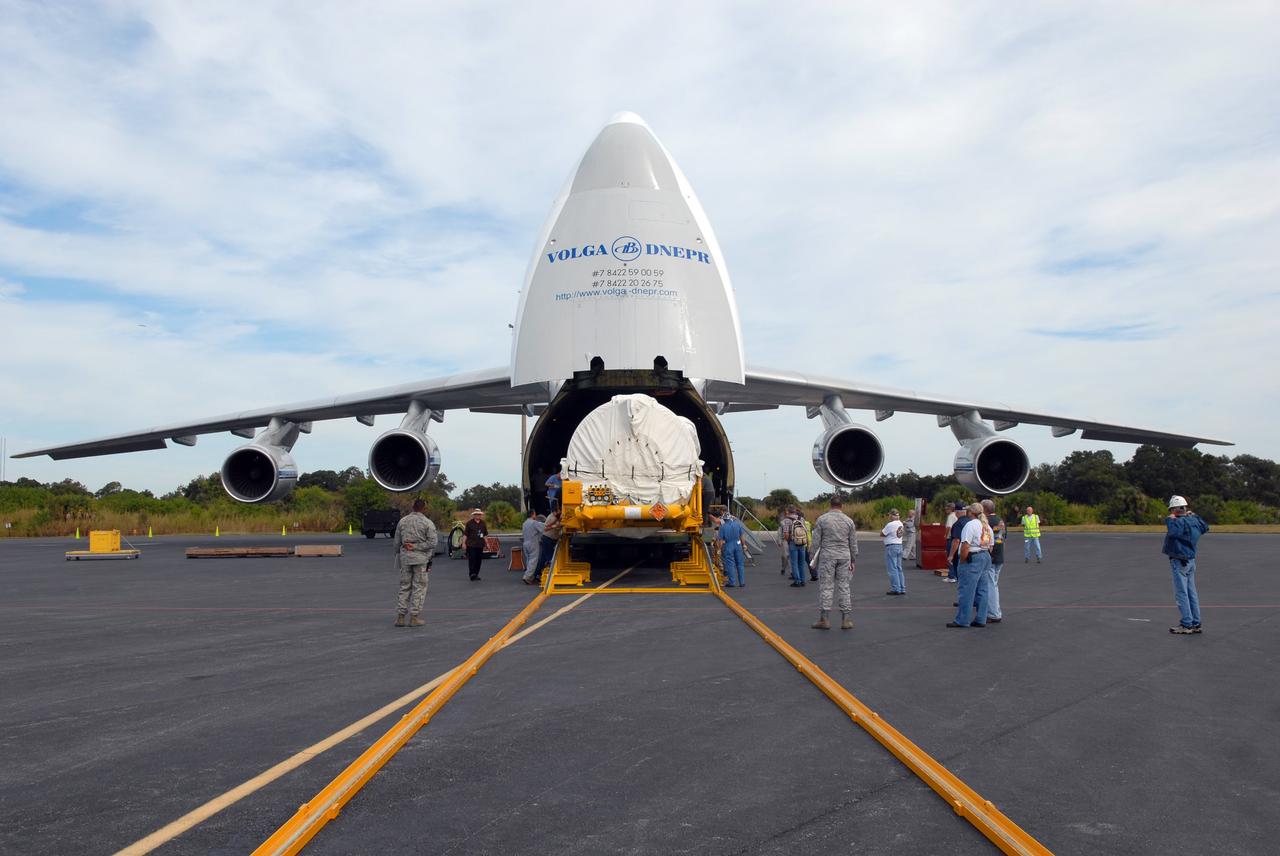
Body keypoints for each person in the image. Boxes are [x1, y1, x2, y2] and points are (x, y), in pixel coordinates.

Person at [810, 496, 858, 630]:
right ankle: (846, 619)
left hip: (828, 556)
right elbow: (853, 543)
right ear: (841, 506)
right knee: (844, 586)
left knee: (826, 586)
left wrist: (812, 556)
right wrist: (853, 560)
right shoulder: (849, 521)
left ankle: (824, 619)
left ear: (830, 505)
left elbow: (815, 541)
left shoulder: (822, 519)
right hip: (844, 556)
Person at [1164, 495, 1209, 634]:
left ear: (1175, 510)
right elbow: (1205, 527)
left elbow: (1173, 533)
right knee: (1191, 592)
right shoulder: (1193, 520)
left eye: (1172, 510)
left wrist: (1170, 520)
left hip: (1180, 560)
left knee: (1182, 593)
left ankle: (1187, 624)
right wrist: (1194, 515)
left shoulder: (1177, 522)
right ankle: (1196, 622)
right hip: (1190, 560)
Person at [393, 499, 437, 628]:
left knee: (404, 586)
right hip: (420, 559)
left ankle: (400, 617)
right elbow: (432, 543)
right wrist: (417, 547)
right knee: (419, 587)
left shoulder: (403, 521)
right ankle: (414, 616)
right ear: (424, 508)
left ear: (413, 507)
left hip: (405, 558)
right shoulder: (427, 523)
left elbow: (397, 542)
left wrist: (398, 554)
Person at [947, 503, 992, 628]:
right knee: (982, 590)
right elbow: (991, 545)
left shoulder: (970, 525)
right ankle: (981, 618)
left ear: (970, 512)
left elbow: (966, 544)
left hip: (973, 557)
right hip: (985, 555)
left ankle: (963, 620)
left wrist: (962, 560)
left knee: (966, 590)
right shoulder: (986, 525)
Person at [981, 499, 1006, 622]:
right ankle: (995, 611)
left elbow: (985, 541)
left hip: (991, 556)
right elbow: (1004, 537)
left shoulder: (986, 522)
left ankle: (993, 613)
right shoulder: (1000, 520)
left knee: (990, 585)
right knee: (994, 583)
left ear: (984, 509)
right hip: (1000, 554)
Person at [710, 508, 747, 588]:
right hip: (738, 545)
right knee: (740, 564)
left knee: (730, 564)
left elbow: (721, 540)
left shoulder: (723, 527)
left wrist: (719, 549)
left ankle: (732, 582)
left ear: (724, 519)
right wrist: (744, 545)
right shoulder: (737, 525)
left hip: (728, 545)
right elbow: (742, 536)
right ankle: (742, 582)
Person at [529, 504, 562, 585]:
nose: (560, 512)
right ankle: (549, 576)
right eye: (559, 510)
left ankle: (536, 575)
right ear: (555, 511)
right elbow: (548, 527)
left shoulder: (555, 517)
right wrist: (558, 524)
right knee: (550, 559)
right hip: (548, 540)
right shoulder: (552, 518)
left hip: (549, 540)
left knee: (542, 560)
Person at [881, 509, 906, 595]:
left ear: (892, 515)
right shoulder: (900, 523)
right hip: (899, 545)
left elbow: (882, 534)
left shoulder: (890, 524)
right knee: (899, 568)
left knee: (892, 568)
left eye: (890, 515)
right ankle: (902, 588)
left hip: (891, 546)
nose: (889, 516)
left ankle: (896, 588)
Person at [784, 507, 808, 587]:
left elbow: (786, 534)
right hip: (802, 542)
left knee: (794, 563)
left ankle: (797, 581)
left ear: (788, 512)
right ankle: (803, 580)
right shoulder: (801, 519)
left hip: (793, 543)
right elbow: (805, 530)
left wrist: (788, 541)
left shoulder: (787, 520)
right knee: (801, 563)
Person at [520, 508, 545, 585]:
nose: (536, 515)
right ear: (532, 514)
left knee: (528, 560)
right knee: (533, 560)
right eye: (535, 513)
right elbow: (544, 527)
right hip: (533, 543)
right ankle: (527, 576)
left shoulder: (524, 523)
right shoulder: (534, 523)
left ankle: (530, 577)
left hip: (525, 543)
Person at [946, 501, 967, 583]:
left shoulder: (958, 523)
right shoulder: (971, 521)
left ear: (956, 512)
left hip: (960, 551)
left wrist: (951, 555)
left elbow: (956, 540)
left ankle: (953, 576)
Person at [463, 508, 488, 581]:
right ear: (474, 515)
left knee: (478, 560)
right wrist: (464, 543)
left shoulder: (483, 523)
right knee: (472, 559)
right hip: (471, 544)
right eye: (476, 514)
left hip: (480, 544)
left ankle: (476, 574)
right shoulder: (469, 523)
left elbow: (485, 534)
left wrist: (487, 543)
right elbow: (465, 534)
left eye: (479, 514)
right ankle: (472, 574)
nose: (478, 516)